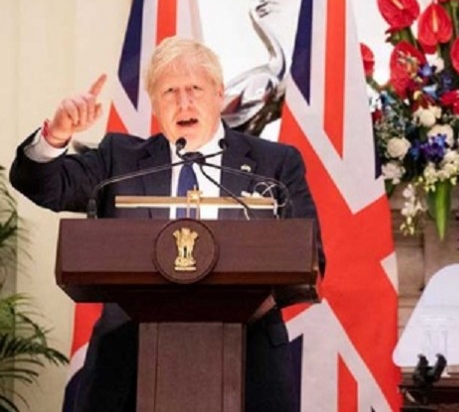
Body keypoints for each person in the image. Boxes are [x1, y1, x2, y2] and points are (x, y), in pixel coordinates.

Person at [10, 37, 320, 412]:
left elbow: (310, 255)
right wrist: (56, 135)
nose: (184, 102)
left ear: (219, 95)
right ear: (155, 105)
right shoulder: (119, 161)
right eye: (170, 92)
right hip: (127, 361)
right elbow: (44, 186)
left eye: (195, 89)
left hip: (250, 357)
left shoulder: (275, 164)